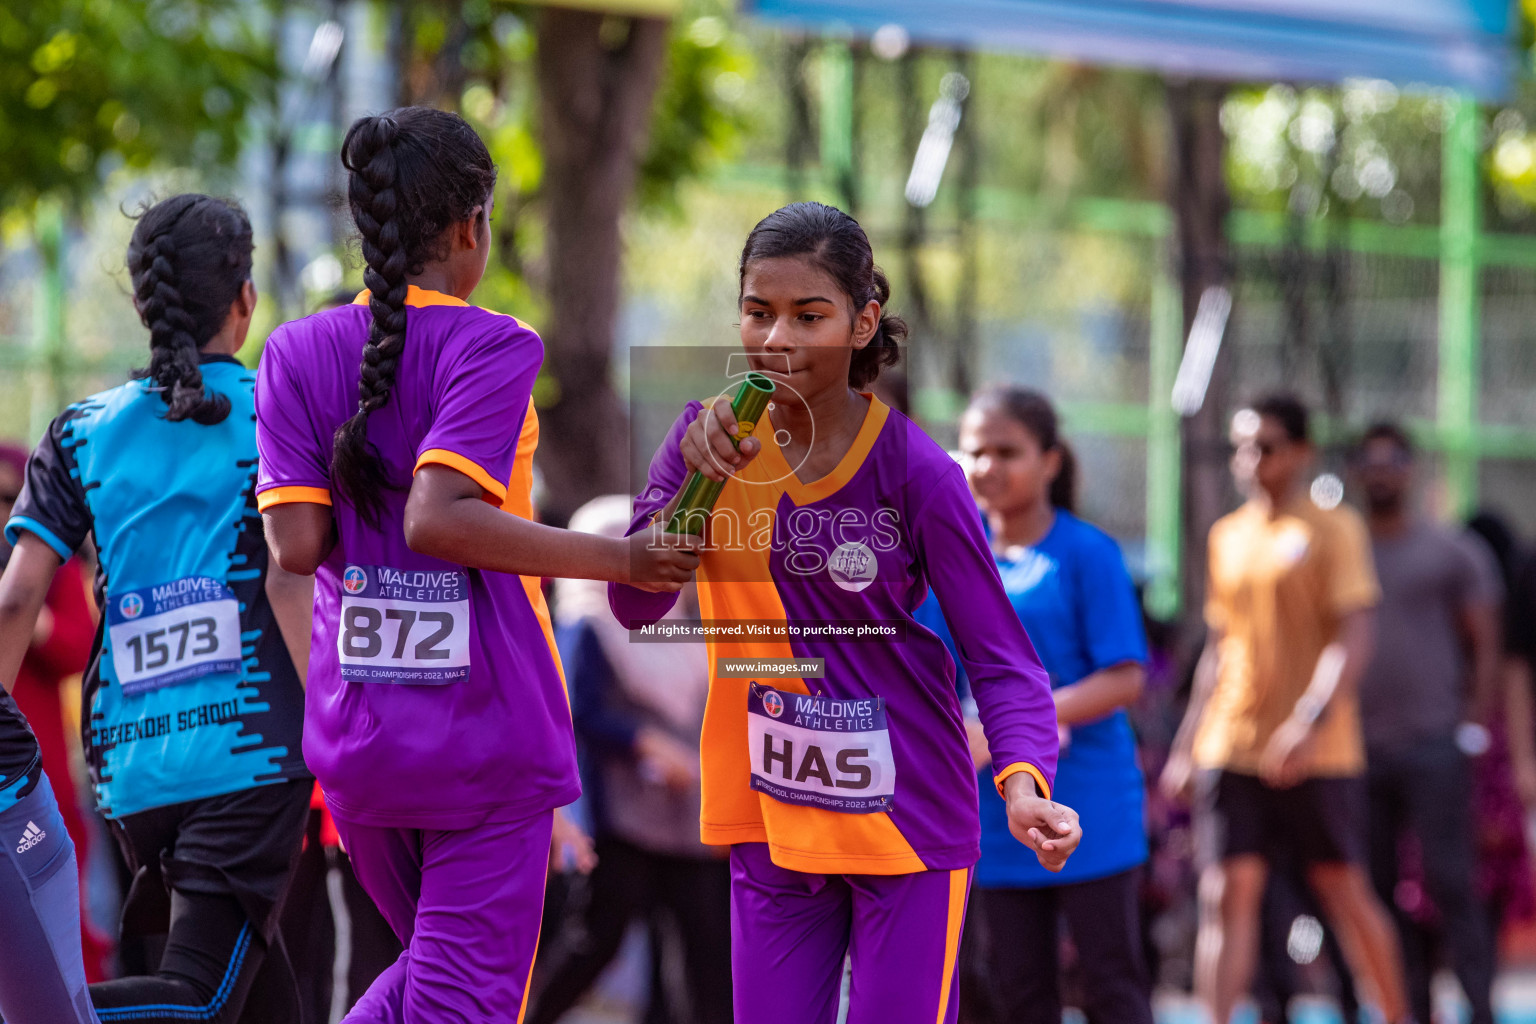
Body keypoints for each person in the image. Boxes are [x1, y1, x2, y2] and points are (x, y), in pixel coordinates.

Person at [255, 106, 698, 1023]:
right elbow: (438, 517)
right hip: (483, 737)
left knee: (435, 982)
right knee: (466, 1002)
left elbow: (295, 548)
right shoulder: (493, 344)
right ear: (471, 226)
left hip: (360, 736)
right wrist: (625, 558)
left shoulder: (294, 349)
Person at [609, 201, 1081, 1024]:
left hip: (905, 822)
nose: (777, 338)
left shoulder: (920, 474)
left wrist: (1024, 783)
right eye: (759, 312)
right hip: (768, 817)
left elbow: (1001, 656)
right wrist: (695, 490)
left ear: (863, 323)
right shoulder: (701, 442)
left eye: (809, 315)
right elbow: (636, 602)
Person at [0, 193, 314, 1022]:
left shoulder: (80, 431)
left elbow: (15, 598)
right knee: (198, 1000)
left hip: (132, 773)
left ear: (142, 303)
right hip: (254, 759)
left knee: (269, 1005)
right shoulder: (281, 413)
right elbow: (297, 576)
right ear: (245, 300)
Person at [1160, 394, 1411, 1024]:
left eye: (1266, 446)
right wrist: (1189, 744)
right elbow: (1220, 649)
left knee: (1345, 893)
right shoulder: (1227, 536)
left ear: (1302, 452)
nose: (1250, 460)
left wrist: (1308, 720)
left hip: (1320, 753)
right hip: (1232, 746)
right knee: (1225, 894)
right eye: (1241, 446)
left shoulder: (1333, 529)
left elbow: (1353, 635)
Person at [940, 387, 1153, 1024]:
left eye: (1008, 451)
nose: (988, 467)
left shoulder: (1087, 554)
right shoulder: (952, 554)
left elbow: (1126, 678)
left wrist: (1025, 722)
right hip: (990, 812)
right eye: (975, 452)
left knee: (1111, 986)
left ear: (1050, 461)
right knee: (1012, 993)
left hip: (1088, 806)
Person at [528, 495, 731, 1024]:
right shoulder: (586, 622)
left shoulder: (682, 620)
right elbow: (577, 710)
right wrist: (644, 741)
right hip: (618, 818)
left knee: (706, 956)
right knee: (597, 939)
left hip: (689, 820)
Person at [1350, 422, 1501, 1024]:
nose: (1382, 471)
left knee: (1450, 882)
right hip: (1359, 750)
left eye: (1393, 460)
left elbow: (1484, 642)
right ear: (1358, 471)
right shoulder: (1343, 548)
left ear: (1411, 470)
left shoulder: (1451, 552)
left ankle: (1480, 1007)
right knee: (1379, 891)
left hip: (1435, 744)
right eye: (1371, 461)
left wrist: (1473, 724)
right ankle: (1408, 1008)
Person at [0, 443, 114, 983]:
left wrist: (22, 612)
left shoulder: (46, 563)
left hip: (34, 784)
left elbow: (79, 647)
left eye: (8, 497)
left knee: (56, 921)